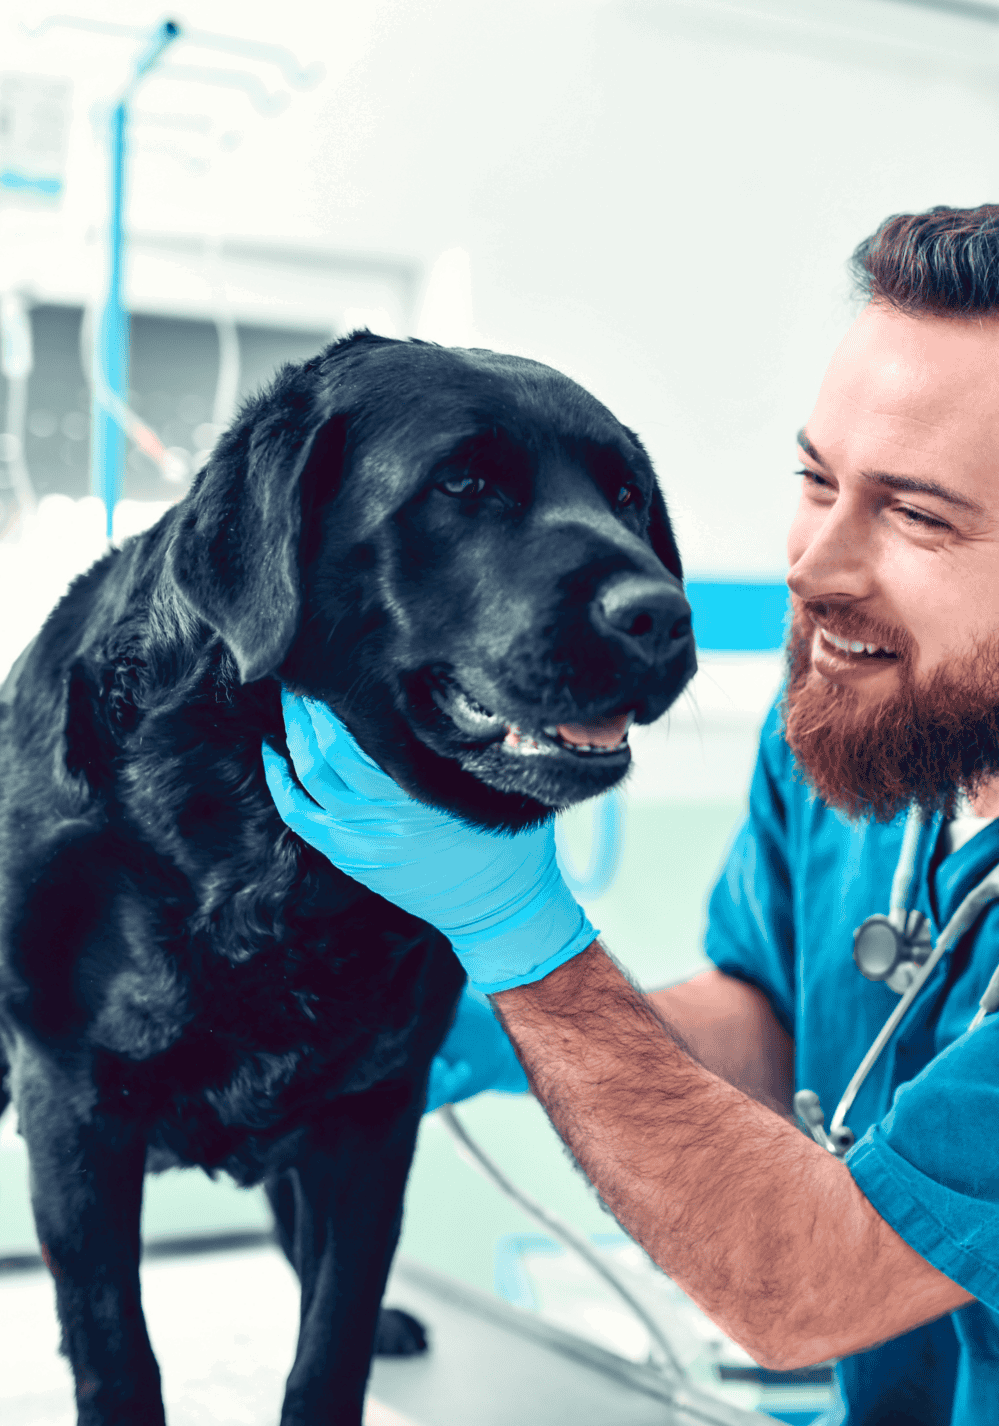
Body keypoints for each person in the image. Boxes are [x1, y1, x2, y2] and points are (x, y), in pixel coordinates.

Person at [263, 204, 999, 1426]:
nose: (814, 570)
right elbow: (776, 1021)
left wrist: (528, 943)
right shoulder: (862, 722)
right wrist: (490, 1026)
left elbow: (804, 1288)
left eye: (917, 516)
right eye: (816, 482)